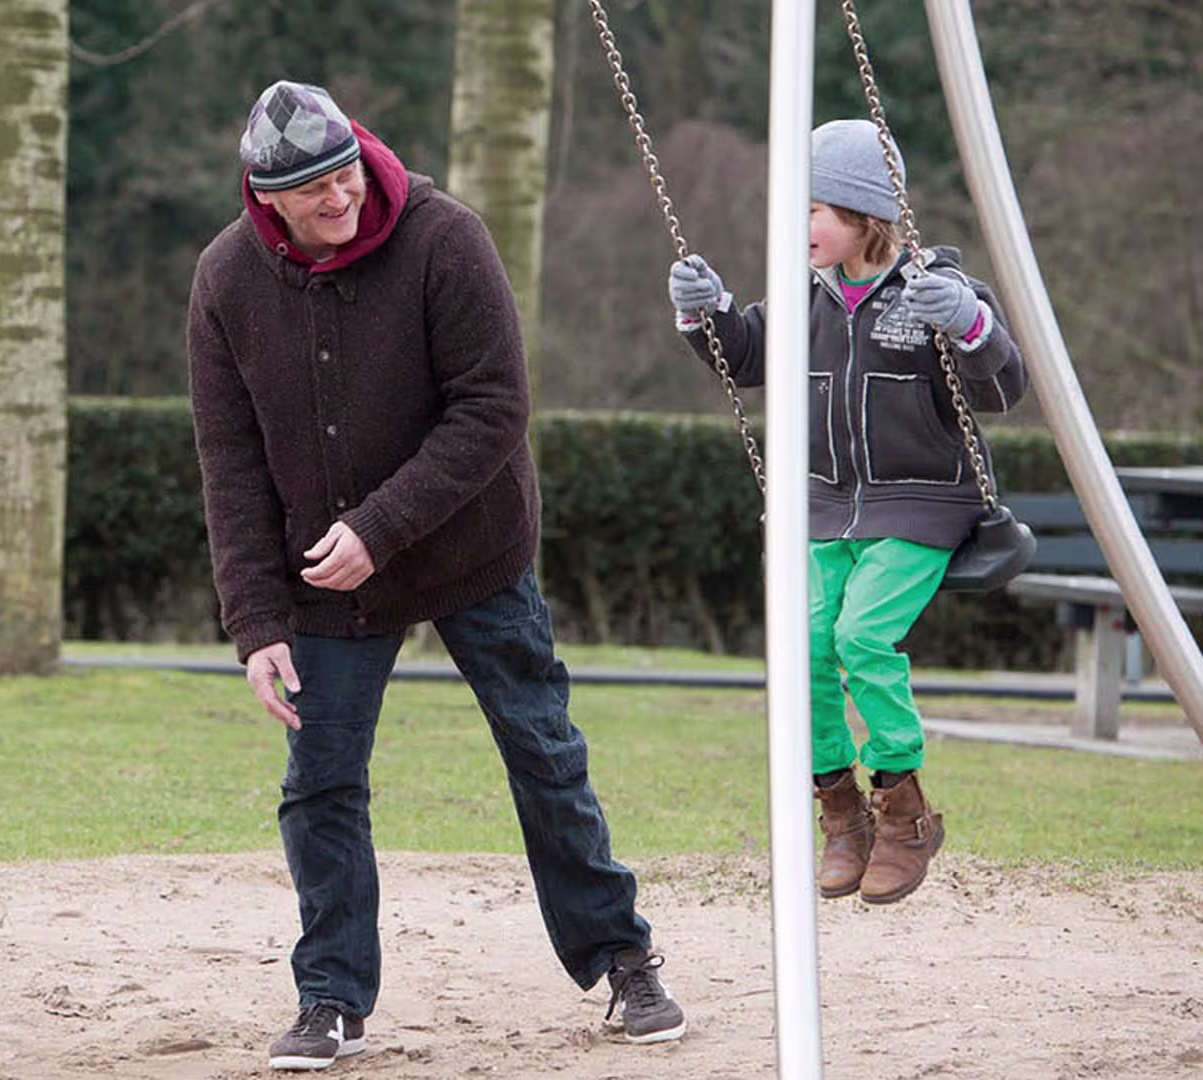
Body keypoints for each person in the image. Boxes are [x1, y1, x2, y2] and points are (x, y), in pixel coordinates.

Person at [187, 79, 686, 1071]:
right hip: (332, 580)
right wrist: (254, 621)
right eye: (316, 190)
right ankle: (330, 997)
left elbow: (495, 407)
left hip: (471, 551)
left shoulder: (444, 237)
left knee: (542, 750)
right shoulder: (225, 281)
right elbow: (231, 466)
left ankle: (622, 957)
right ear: (266, 196)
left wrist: (382, 524)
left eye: (346, 174)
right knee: (319, 780)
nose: (342, 199)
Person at [666, 119, 1029, 905]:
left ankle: (904, 809)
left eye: (813, 211)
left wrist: (967, 324)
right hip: (823, 508)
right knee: (803, 650)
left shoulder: (934, 289)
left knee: (861, 635)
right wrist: (707, 312)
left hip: (921, 506)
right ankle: (840, 811)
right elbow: (748, 355)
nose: (799, 228)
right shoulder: (805, 297)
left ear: (866, 215)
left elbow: (1001, 391)